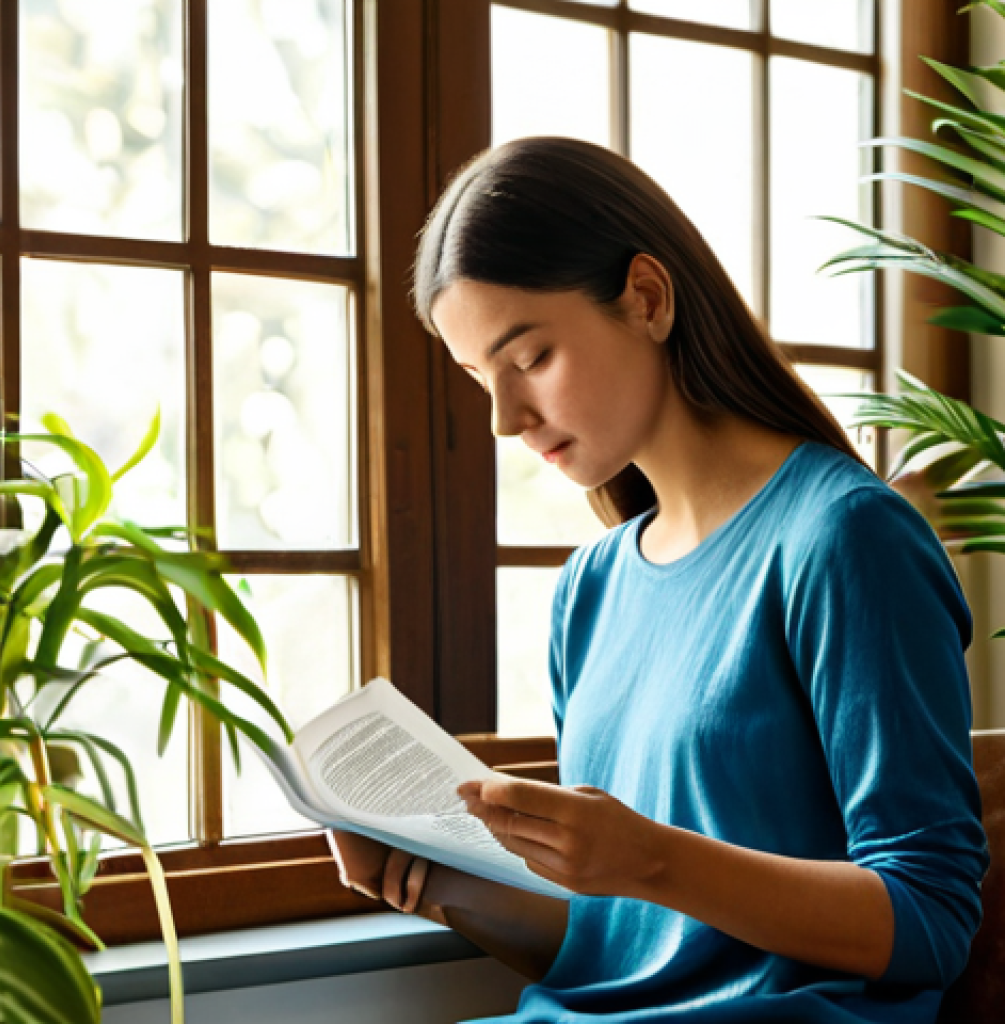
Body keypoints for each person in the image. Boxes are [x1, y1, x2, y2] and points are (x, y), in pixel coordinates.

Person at [327, 137, 989, 1023]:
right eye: (479, 378)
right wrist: (446, 883)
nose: (504, 418)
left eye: (529, 359)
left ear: (646, 298)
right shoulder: (591, 588)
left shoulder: (846, 538)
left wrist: (650, 858)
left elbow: (933, 920)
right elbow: (622, 953)